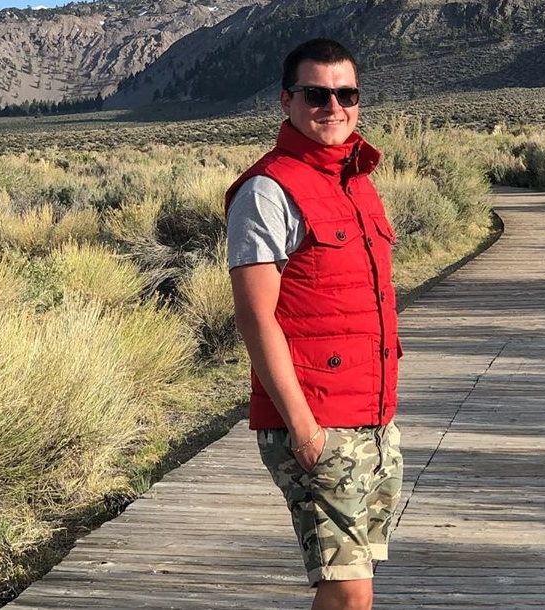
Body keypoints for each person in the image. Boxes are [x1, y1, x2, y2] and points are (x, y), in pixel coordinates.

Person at [225, 38, 403, 610]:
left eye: (346, 94)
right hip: (315, 419)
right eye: (316, 94)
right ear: (287, 100)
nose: (334, 107)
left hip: (373, 417)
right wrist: (303, 431)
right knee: (348, 590)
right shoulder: (267, 191)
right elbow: (255, 318)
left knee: (354, 586)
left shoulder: (356, 181)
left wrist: (382, 423)